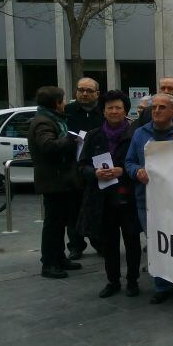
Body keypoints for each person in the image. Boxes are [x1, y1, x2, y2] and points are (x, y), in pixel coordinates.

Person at [126, 93, 173, 304]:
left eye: (162, 108)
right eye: (154, 108)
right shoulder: (139, 134)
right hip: (147, 200)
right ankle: (162, 286)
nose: (156, 111)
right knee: (156, 243)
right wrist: (137, 171)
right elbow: (129, 162)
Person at [78, 90, 142, 298]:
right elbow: (82, 166)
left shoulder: (135, 134)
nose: (114, 111)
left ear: (125, 111)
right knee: (109, 243)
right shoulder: (94, 135)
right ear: (103, 111)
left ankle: (132, 280)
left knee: (132, 241)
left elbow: (143, 164)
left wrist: (122, 170)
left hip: (128, 196)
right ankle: (112, 281)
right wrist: (95, 173)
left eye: (118, 108)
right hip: (103, 198)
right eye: (110, 108)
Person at [28, 86, 84, 279]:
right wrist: (71, 139)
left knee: (60, 223)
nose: (65, 103)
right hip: (54, 182)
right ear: (56, 103)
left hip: (62, 181)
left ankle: (59, 258)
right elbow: (48, 146)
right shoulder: (43, 122)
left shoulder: (53, 119)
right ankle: (50, 263)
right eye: (63, 100)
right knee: (53, 224)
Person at [64, 77, 104, 260]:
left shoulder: (103, 111)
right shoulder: (68, 111)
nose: (84, 94)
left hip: (97, 164)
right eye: (81, 90)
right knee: (72, 208)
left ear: (97, 93)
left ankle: (99, 242)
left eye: (89, 90)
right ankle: (76, 245)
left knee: (97, 206)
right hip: (72, 166)